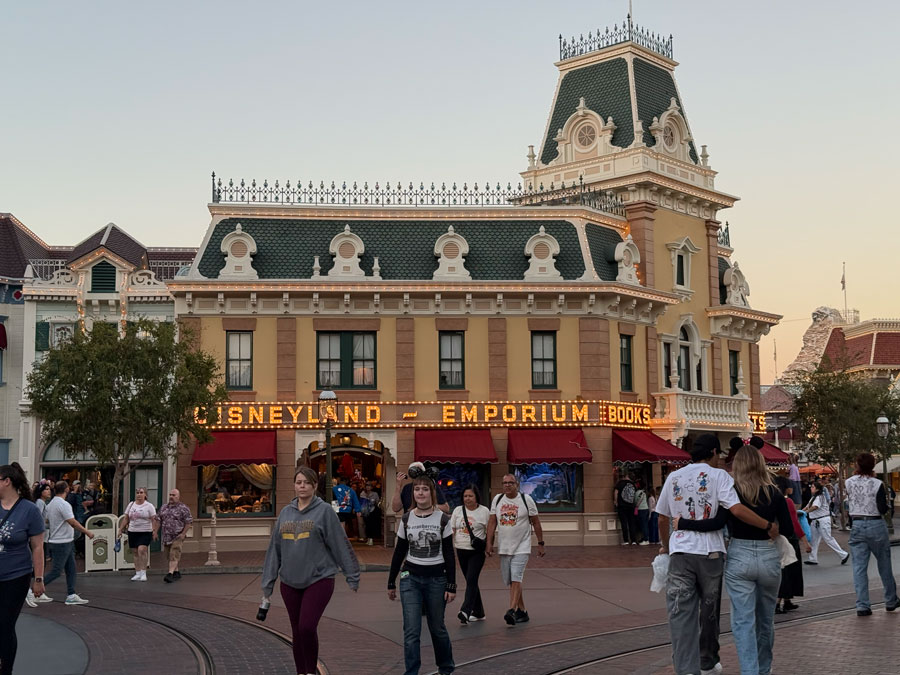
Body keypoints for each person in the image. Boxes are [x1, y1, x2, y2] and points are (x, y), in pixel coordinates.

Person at [655, 434, 778, 675]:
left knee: (680, 614)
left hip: (680, 554)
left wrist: (667, 546)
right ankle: (708, 661)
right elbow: (736, 509)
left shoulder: (673, 477)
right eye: (718, 454)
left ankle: (687, 670)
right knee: (709, 612)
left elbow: (662, 517)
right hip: (711, 554)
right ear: (713, 452)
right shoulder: (720, 476)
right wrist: (766, 525)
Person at [677, 445, 793, 675]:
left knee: (743, 621)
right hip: (768, 555)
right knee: (765, 620)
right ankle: (764, 669)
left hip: (739, 556)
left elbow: (717, 523)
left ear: (737, 466)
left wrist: (683, 523)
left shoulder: (732, 492)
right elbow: (787, 530)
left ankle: (750, 671)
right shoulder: (775, 493)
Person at [262, 466, 359, 675]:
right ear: (294, 486)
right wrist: (268, 584)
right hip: (289, 582)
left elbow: (340, 544)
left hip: (319, 579)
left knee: (306, 627)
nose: (302, 486)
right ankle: (302, 672)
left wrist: (352, 574)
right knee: (297, 631)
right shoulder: (285, 513)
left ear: (315, 485)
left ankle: (311, 670)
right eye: (299, 482)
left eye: (307, 482)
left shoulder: (324, 511)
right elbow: (274, 550)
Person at [387, 474, 455, 675]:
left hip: (437, 579)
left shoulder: (442, 519)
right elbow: (399, 551)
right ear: (413, 494)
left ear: (431, 493)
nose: (421, 493)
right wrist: (391, 582)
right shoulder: (407, 519)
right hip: (411, 579)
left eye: (425, 489)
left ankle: (445, 667)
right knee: (411, 631)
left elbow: (450, 554)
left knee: (437, 628)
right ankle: (412, 672)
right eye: (417, 489)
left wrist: (452, 585)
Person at [0, 464, 46, 675]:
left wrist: (38, 578)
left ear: (6, 481)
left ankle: (6, 669)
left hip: (15, 576)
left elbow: (37, 547)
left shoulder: (29, 510)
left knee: (5, 625)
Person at [486, 473, 545, 626]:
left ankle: (511, 610)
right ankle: (522, 611)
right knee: (510, 580)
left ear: (517, 484)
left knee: (516, 577)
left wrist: (540, 543)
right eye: (504, 483)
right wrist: (489, 543)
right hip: (504, 547)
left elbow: (536, 522)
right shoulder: (497, 500)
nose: (507, 485)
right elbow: (492, 522)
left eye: (510, 483)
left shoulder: (526, 500)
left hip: (522, 546)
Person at [845, 452, 899, 616]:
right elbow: (883, 508)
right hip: (875, 523)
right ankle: (890, 600)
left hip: (857, 524)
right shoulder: (878, 484)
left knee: (859, 567)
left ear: (857, 465)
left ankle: (862, 605)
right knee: (884, 563)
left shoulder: (848, 482)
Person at [44, 481, 94, 605]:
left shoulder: (50, 505)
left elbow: (46, 521)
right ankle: (33, 589)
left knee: (71, 568)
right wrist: (87, 532)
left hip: (62, 540)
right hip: (62, 541)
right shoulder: (64, 504)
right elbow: (72, 522)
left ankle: (71, 594)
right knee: (56, 571)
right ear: (66, 489)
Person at [450, 484, 489, 624]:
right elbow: (452, 530)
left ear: (476, 496)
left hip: (476, 552)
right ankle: (479, 612)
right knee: (470, 581)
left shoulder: (484, 511)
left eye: (470, 496)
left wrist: (489, 546)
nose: (467, 499)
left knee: (472, 579)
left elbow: (489, 531)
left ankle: (465, 611)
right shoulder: (458, 510)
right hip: (461, 549)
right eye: (465, 496)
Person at [773, 476, 811, 614]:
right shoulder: (787, 501)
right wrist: (805, 542)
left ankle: (787, 600)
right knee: (789, 571)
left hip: (777, 539)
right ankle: (778, 602)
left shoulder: (772, 499)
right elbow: (795, 523)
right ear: (786, 488)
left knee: (784, 570)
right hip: (789, 539)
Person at [801, 481, 848, 565]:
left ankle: (843, 554)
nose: (811, 488)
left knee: (828, 539)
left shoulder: (819, 497)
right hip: (815, 520)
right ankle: (813, 558)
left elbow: (815, 507)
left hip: (822, 520)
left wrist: (806, 512)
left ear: (817, 489)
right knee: (813, 540)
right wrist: (801, 511)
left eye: (813, 487)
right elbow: (807, 506)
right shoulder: (813, 497)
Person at [117, 488, 159, 582]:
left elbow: (154, 519)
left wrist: (154, 531)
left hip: (145, 531)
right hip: (133, 530)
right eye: (137, 493)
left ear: (145, 495)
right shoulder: (131, 504)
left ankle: (144, 572)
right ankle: (138, 572)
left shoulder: (149, 506)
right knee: (135, 552)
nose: (139, 495)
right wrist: (120, 529)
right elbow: (126, 518)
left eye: (141, 493)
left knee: (142, 550)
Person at [156, 488, 192, 583]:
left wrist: (183, 534)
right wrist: (155, 531)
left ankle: (170, 574)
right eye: (170, 495)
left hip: (178, 535)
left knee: (174, 553)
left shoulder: (183, 508)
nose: (171, 497)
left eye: (174, 495)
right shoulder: (164, 507)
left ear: (178, 497)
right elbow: (158, 520)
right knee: (168, 555)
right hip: (166, 536)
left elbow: (188, 522)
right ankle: (176, 572)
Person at [613, 472, 638, 545]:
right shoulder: (633, 485)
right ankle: (633, 540)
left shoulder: (620, 483)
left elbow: (616, 492)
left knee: (624, 523)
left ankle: (626, 540)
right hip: (631, 506)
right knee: (631, 523)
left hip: (622, 506)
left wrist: (615, 501)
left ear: (626, 476)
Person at [358, 480, 381, 546]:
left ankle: (371, 539)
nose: (368, 487)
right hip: (365, 511)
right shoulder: (362, 493)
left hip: (372, 511)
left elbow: (377, 502)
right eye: (367, 486)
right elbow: (361, 502)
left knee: (371, 525)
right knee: (366, 525)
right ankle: (368, 538)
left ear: (371, 487)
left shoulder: (375, 494)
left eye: (369, 486)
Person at [635, 481, 650, 545]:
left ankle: (645, 539)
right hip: (646, 509)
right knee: (645, 524)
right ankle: (645, 538)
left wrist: (636, 506)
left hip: (641, 509)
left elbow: (636, 501)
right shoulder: (644, 493)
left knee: (643, 525)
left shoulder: (637, 493)